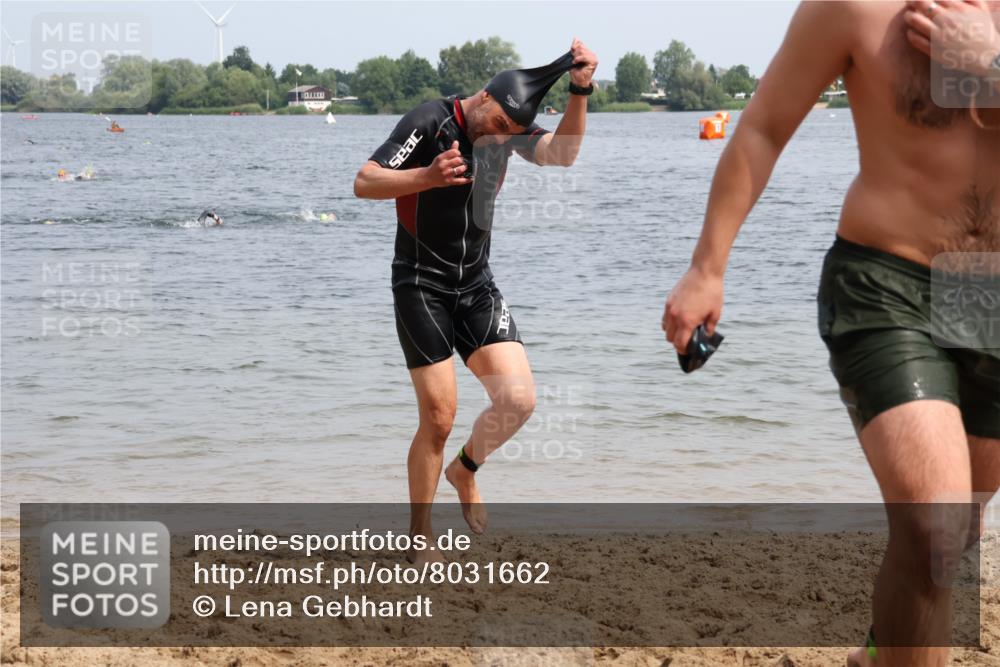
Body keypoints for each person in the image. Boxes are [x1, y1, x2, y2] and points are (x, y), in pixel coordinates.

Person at [660, 2, 999, 665]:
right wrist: (707, 267)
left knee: (954, 538)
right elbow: (763, 128)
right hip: (887, 279)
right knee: (935, 524)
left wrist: (988, 63)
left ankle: (880, 652)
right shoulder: (852, 7)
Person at [354, 39, 598, 561]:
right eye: (500, 125)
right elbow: (365, 181)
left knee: (519, 400)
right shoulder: (430, 122)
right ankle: (420, 537)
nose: (502, 136)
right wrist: (427, 176)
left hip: (475, 284)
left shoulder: (507, 131)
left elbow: (563, 154)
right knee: (440, 417)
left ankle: (464, 469)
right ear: (485, 97)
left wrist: (580, 91)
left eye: (512, 131)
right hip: (420, 283)